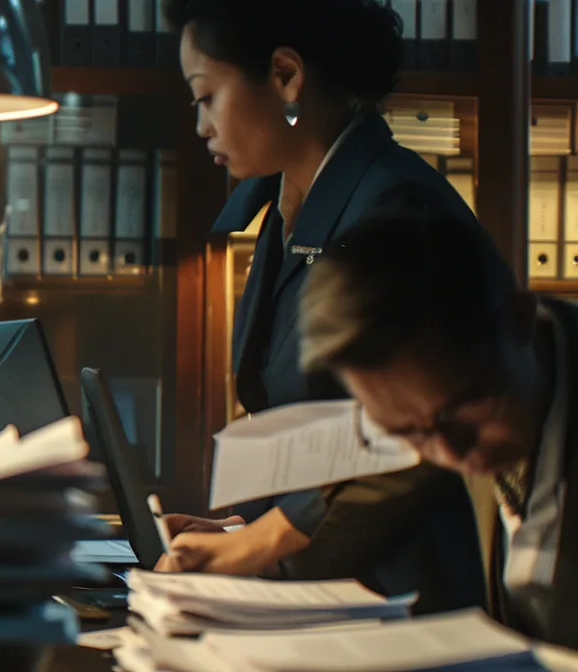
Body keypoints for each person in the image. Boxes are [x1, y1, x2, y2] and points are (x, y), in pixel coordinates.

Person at [153, 0, 486, 614]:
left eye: (205, 96)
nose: (201, 124)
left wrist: (266, 543)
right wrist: (237, 535)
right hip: (320, 586)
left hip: (397, 594)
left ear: (285, 76)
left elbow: (413, 438)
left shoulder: (397, 209)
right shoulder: (287, 206)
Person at [296, 190, 575, 647]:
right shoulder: (474, 406)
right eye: (404, 432)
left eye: (462, 409)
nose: (449, 455)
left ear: (520, 321)